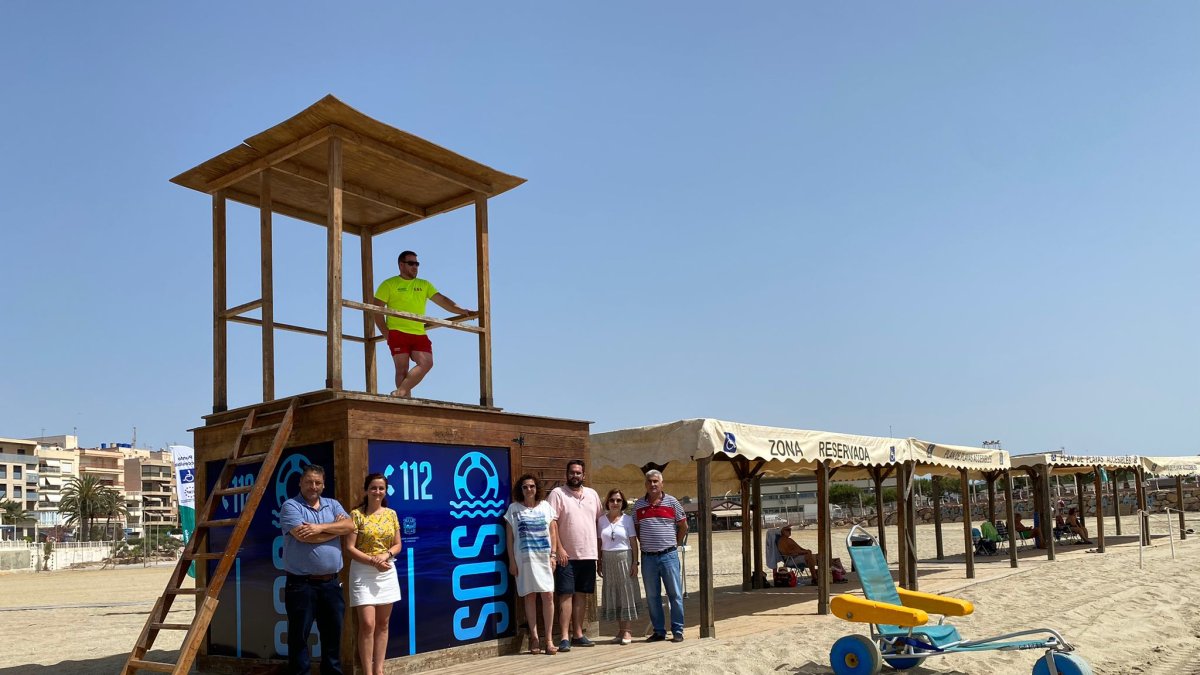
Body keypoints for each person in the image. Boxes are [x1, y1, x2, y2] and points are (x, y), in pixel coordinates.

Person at [279, 464, 355, 675]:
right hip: (301, 585)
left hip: (331, 583)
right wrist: (335, 529)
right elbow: (304, 536)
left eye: (318, 483)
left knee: (333, 636)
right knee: (299, 638)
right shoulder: (290, 506)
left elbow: (350, 526)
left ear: (323, 485)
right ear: (300, 483)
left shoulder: (333, 504)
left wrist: (320, 527)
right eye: (309, 482)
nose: (314, 486)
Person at [371, 250, 474, 398]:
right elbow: (376, 310)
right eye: (411, 263)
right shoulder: (388, 284)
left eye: (417, 264)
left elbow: (442, 300)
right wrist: (386, 334)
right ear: (401, 265)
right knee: (402, 369)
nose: (415, 267)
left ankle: (401, 392)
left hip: (418, 333)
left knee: (427, 363)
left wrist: (462, 310)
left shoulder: (424, 284)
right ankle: (405, 401)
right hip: (397, 332)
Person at [344, 473, 402, 675]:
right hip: (362, 572)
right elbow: (349, 548)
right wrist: (372, 561)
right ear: (366, 490)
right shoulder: (356, 515)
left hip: (386, 570)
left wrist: (385, 556)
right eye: (373, 488)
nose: (377, 492)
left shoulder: (391, 514)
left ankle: (379, 670)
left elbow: (398, 545)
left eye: (381, 488)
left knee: (383, 624)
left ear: (385, 491)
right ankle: (367, 672)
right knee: (367, 624)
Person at [547, 460, 603, 652]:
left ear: (584, 475)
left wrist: (600, 553)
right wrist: (559, 549)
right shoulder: (557, 494)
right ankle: (564, 637)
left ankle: (578, 634)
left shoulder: (593, 494)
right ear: (566, 474)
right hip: (566, 556)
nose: (575, 476)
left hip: (588, 554)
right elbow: (551, 524)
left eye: (578, 473)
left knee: (582, 596)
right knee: (565, 595)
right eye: (572, 472)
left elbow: (599, 523)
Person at [504, 474, 560, 655]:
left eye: (532, 486)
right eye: (525, 487)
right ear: (520, 490)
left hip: (544, 559)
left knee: (548, 596)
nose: (529, 490)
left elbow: (553, 532)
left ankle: (549, 639)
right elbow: (510, 537)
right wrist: (512, 561)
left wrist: (553, 555)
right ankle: (534, 637)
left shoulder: (545, 507)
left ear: (537, 488)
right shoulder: (514, 509)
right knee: (529, 597)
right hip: (524, 561)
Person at [633, 470, 687, 643]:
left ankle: (678, 630)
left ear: (662, 483)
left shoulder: (672, 502)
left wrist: (675, 544)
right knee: (652, 596)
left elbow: (683, 526)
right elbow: (637, 529)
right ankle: (659, 631)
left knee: (675, 595)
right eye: (649, 481)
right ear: (645, 484)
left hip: (669, 556)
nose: (653, 484)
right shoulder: (638, 505)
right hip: (648, 558)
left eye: (656, 481)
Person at [596, 488, 641, 645]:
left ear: (623, 503)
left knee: (626, 592)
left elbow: (633, 542)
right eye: (612, 500)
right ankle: (620, 631)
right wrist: (599, 561)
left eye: (618, 500)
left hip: (624, 558)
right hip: (608, 560)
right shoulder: (601, 520)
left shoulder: (627, 519)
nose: (615, 503)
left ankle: (628, 631)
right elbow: (600, 542)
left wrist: (635, 562)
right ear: (607, 502)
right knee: (614, 592)